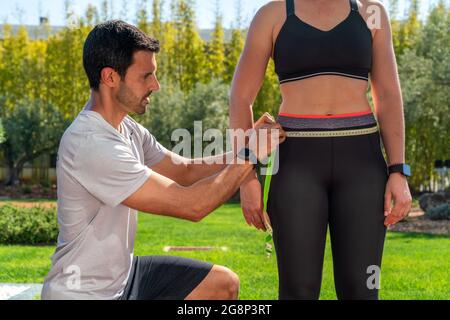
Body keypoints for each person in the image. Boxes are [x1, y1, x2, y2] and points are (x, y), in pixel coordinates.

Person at [41, 20, 285, 300]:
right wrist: (250, 155)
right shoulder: (91, 144)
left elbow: (186, 170)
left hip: (124, 277)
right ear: (110, 77)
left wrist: (247, 144)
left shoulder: (127, 128)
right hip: (84, 294)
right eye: (146, 76)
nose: (155, 86)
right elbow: (192, 205)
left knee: (222, 284)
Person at [229, 0, 413, 300]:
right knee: (297, 290)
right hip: (295, 162)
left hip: (362, 163)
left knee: (363, 289)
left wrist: (398, 170)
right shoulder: (272, 15)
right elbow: (240, 97)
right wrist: (246, 176)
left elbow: (389, 96)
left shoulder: (372, 12)